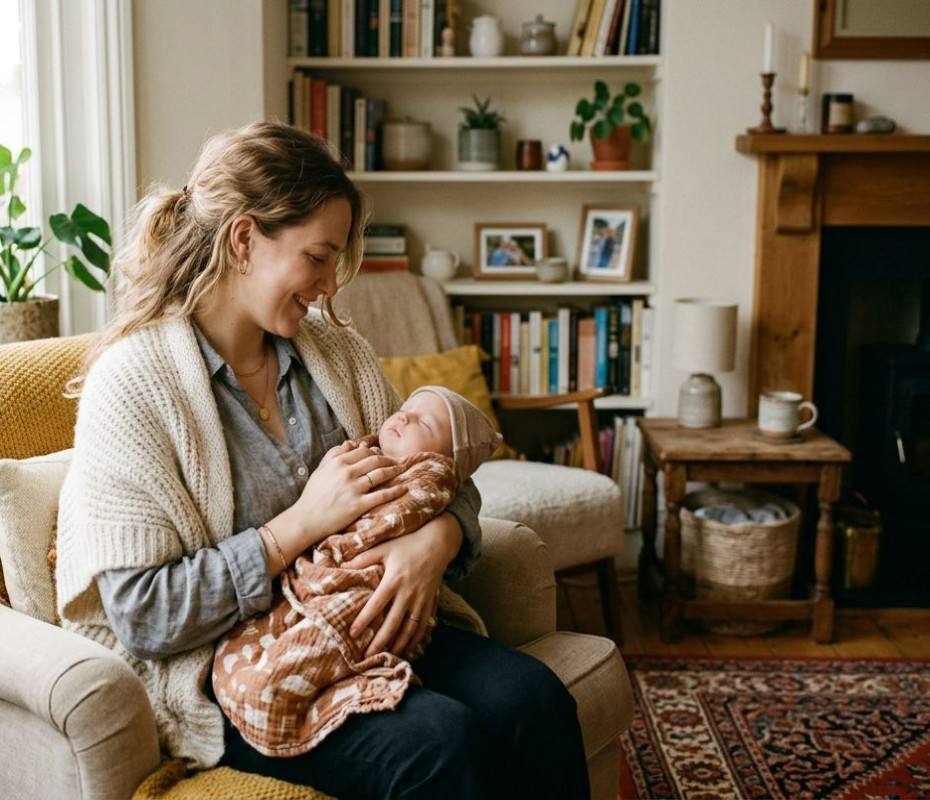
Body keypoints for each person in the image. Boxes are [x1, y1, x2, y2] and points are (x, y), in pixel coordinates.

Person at [54, 121, 588, 800]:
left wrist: (436, 540)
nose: (332, 284)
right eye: (318, 256)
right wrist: (298, 527)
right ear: (244, 239)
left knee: (534, 701)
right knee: (441, 745)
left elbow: (439, 475)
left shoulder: (334, 354)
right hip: (248, 673)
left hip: (369, 629)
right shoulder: (133, 386)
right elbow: (145, 614)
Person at [212, 386, 502, 758]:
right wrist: (307, 520)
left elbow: (456, 480)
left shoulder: (424, 472)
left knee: (536, 695)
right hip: (291, 597)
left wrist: (440, 538)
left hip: (367, 602)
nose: (403, 416)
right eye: (406, 409)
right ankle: (273, 689)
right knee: (444, 738)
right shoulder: (377, 451)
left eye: (424, 422)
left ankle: (279, 698)